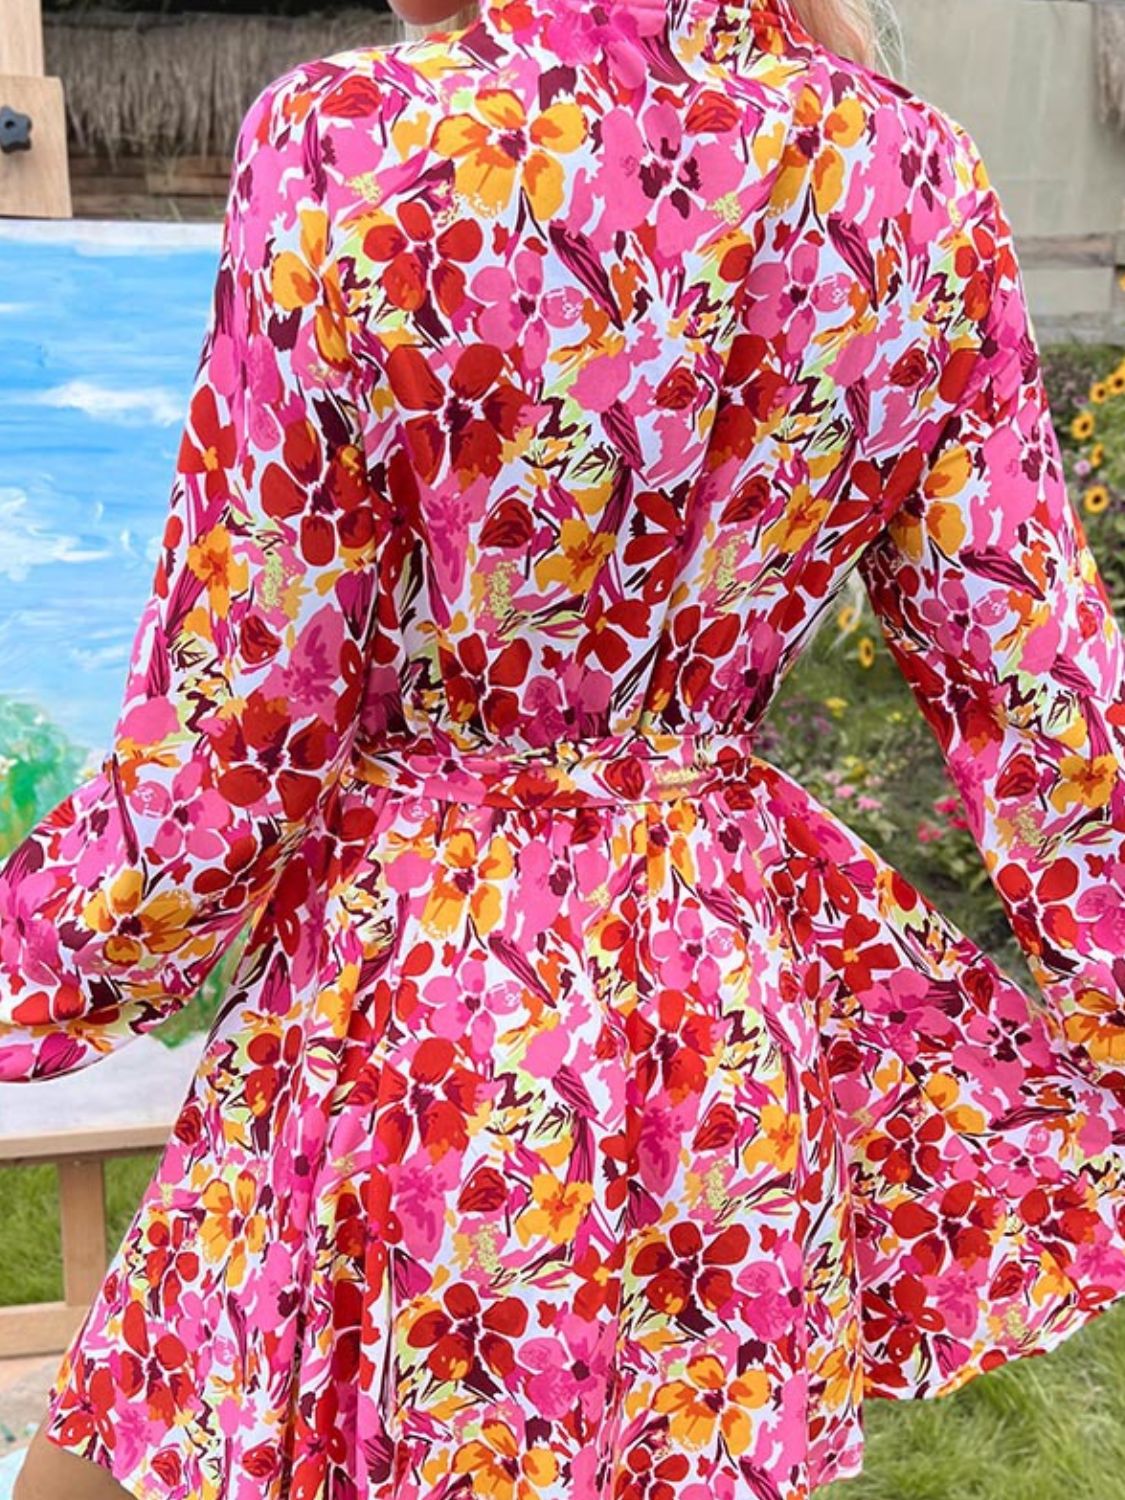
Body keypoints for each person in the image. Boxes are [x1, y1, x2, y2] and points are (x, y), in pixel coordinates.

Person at [7, 0, 1125, 1496]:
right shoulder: (912, 174)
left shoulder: (357, 142)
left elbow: (247, 706)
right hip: (722, 1010)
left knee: (190, 1423)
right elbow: (1037, 677)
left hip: (429, 998)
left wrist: (48, 967)